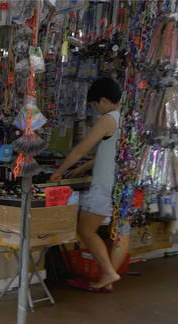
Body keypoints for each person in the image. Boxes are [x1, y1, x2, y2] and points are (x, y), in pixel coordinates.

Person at [50, 77, 129, 292]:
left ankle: (109, 273)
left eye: (94, 105)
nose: (95, 110)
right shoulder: (129, 118)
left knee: (85, 229)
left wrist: (59, 171)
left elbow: (81, 149)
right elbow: (115, 150)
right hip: (127, 185)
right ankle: (109, 279)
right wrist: (85, 167)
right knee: (122, 233)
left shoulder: (108, 119)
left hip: (105, 185)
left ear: (103, 100)